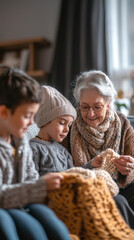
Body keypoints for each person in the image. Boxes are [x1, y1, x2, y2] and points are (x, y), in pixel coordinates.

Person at [0, 65, 72, 240]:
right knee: (12, 224)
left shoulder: (21, 140)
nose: (32, 123)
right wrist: (40, 186)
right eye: (27, 116)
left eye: (34, 115)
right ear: (3, 112)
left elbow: (31, 177)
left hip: (22, 201)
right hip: (3, 206)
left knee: (56, 227)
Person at [61, 69, 134, 228]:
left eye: (98, 106)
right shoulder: (68, 126)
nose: (91, 114)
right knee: (117, 201)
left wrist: (130, 168)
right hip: (87, 191)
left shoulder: (123, 123)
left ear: (108, 103)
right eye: (84, 107)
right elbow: (64, 172)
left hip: (121, 186)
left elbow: (133, 163)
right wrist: (89, 168)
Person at [29, 85, 77, 175]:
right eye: (62, 123)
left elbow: (74, 174)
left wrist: (91, 165)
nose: (67, 129)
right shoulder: (33, 149)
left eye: (69, 125)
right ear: (46, 121)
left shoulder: (62, 150)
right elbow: (31, 183)